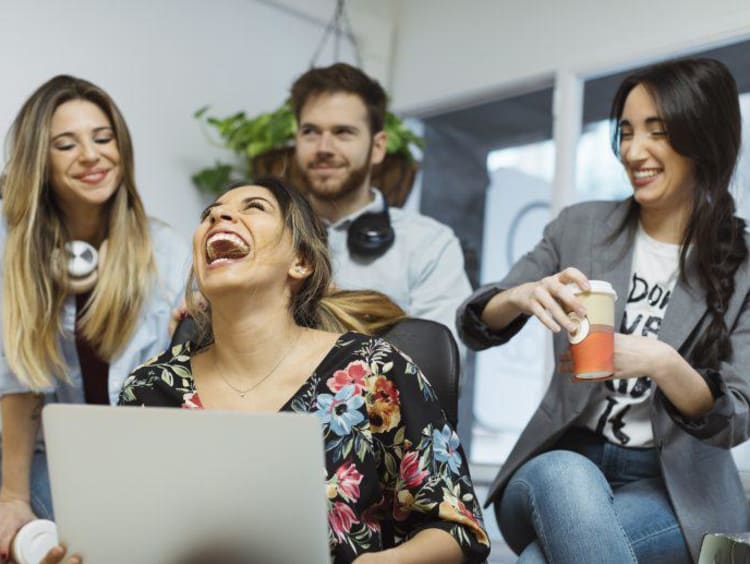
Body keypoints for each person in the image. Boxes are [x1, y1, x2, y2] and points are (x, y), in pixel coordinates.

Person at [100, 177, 487, 564]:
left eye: (254, 207)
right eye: (209, 214)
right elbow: (121, 530)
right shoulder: (150, 386)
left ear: (300, 262)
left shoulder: (372, 370)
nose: (219, 214)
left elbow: (459, 527)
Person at [457, 57, 750, 563]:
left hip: (674, 486)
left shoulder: (742, 264)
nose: (634, 152)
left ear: (702, 137)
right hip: (560, 461)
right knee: (569, 476)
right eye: (626, 132)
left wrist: (664, 362)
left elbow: (736, 417)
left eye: (657, 132)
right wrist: (519, 296)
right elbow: (475, 322)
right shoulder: (581, 228)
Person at [0, 75, 189, 557]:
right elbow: (17, 381)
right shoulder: (12, 248)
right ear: (39, 160)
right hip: (48, 457)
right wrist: (13, 498)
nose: (91, 155)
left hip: (144, 459)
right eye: (66, 144)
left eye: (103, 138)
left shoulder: (164, 249)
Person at [290, 63, 472, 344]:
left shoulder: (428, 244)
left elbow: (436, 367)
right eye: (311, 132)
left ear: (377, 147)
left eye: (343, 132)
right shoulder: (268, 234)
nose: (324, 148)